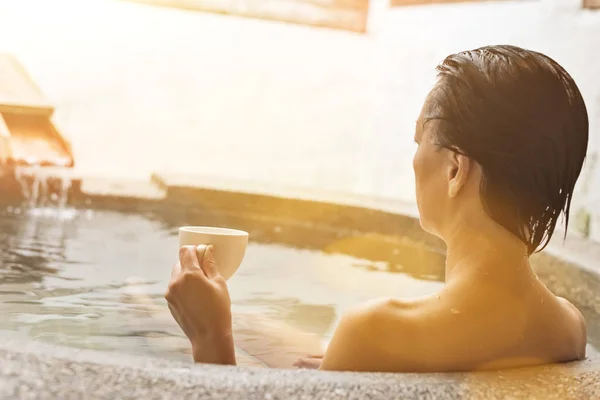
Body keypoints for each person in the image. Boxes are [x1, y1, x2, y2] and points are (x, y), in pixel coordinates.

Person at [165, 45, 588, 373]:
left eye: (419, 140)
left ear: (456, 169)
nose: (414, 159)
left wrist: (210, 336)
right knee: (262, 332)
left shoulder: (376, 332)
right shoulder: (568, 327)